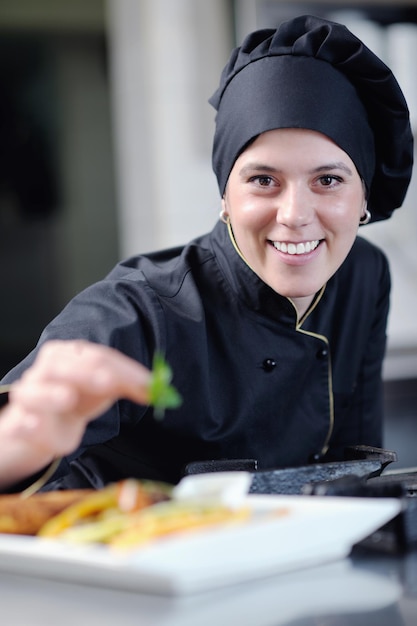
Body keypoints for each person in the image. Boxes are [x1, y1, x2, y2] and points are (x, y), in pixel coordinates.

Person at [0, 14, 413, 493]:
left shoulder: (364, 274)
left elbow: (355, 469)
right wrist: (18, 443)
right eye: (263, 180)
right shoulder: (138, 310)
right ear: (225, 195)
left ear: (363, 197)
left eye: (329, 180)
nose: (295, 214)